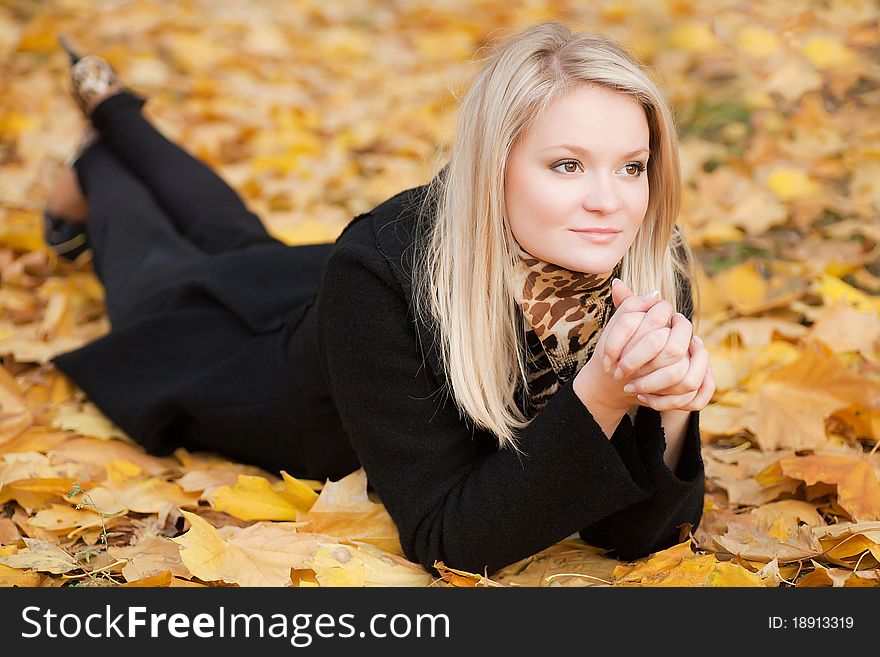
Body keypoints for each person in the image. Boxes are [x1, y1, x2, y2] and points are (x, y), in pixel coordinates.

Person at [46, 22, 715, 577]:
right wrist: (601, 394)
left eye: (632, 165)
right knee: (154, 272)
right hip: (256, 362)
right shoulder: (381, 273)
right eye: (567, 164)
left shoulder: (648, 259)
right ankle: (97, 160)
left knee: (232, 234)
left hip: (315, 284)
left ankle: (111, 106)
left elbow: (638, 535)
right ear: (493, 164)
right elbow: (450, 539)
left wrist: (671, 409)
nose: (610, 201)